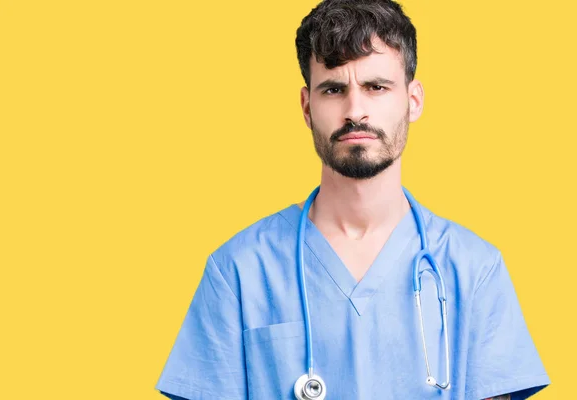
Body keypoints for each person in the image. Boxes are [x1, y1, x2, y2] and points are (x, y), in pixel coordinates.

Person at [154, 0, 550, 398]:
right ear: (308, 107)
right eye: (334, 89)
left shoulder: (474, 270)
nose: (355, 110)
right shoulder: (238, 272)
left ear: (413, 101)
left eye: (376, 87)